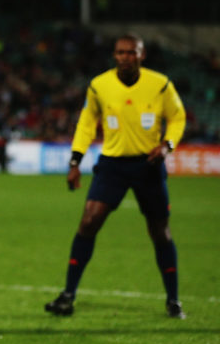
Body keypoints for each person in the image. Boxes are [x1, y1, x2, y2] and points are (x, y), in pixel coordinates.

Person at [44, 34, 187, 318]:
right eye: (120, 53)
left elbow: (178, 117)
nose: (124, 57)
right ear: (114, 55)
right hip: (112, 165)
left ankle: (173, 300)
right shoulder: (100, 85)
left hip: (148, 165)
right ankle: (68, 295)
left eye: (131, 53)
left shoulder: (160, 84)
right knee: (88, 221)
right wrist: (75, 161)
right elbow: (86, 124)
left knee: (160, 232)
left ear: (141, 55)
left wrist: (167, 145)